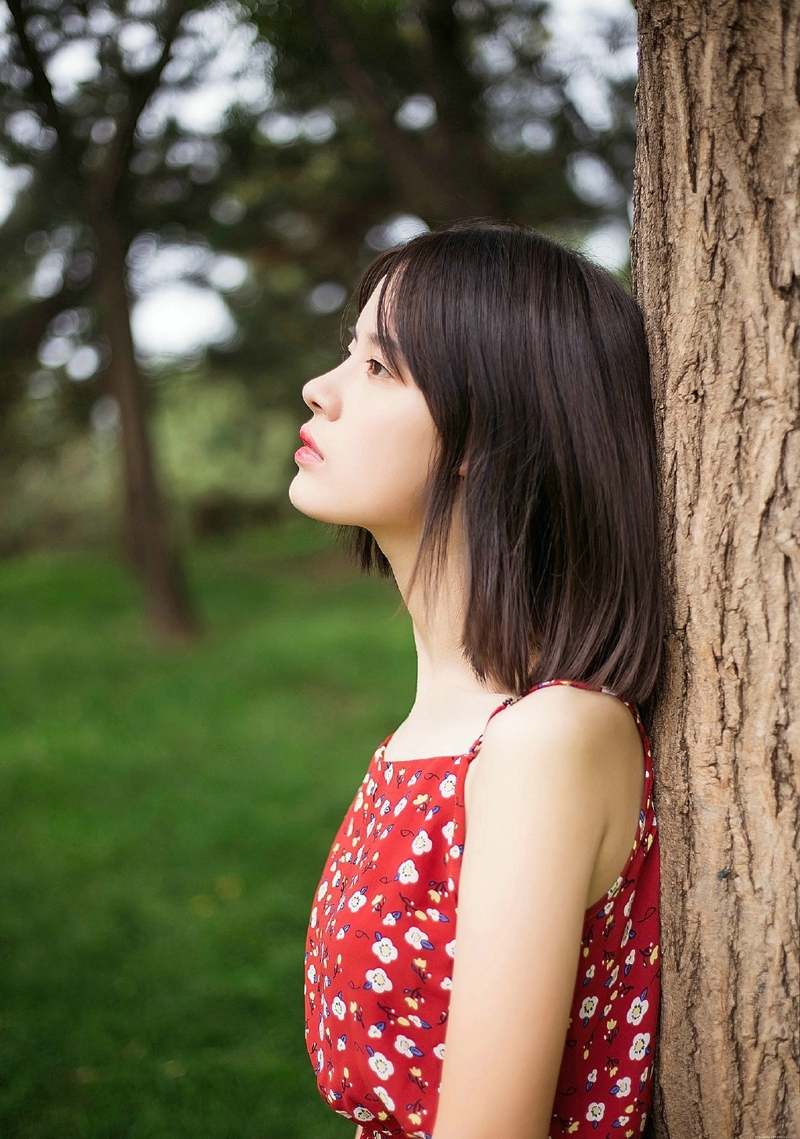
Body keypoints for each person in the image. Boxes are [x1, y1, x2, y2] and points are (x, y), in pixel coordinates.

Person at [289, 221, 662, 1139]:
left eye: (380, 368)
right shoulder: (443, 728)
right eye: (350, 353)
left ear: (485, 434)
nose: (320, 390)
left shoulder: (547, 739)